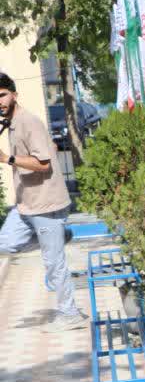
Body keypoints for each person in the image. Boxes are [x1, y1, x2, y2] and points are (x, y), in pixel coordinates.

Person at [0, 72, 86, 330]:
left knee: (53, 264)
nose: (0, 102)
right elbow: (51, 148)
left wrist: (7, 159)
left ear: (14, 95)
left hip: (46, 204)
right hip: (26, 203)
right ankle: (61, 235)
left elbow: (44, 163)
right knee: (6, 243)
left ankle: (70, 314)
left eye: (3, 95)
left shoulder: (28, 122)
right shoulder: (11, 124)